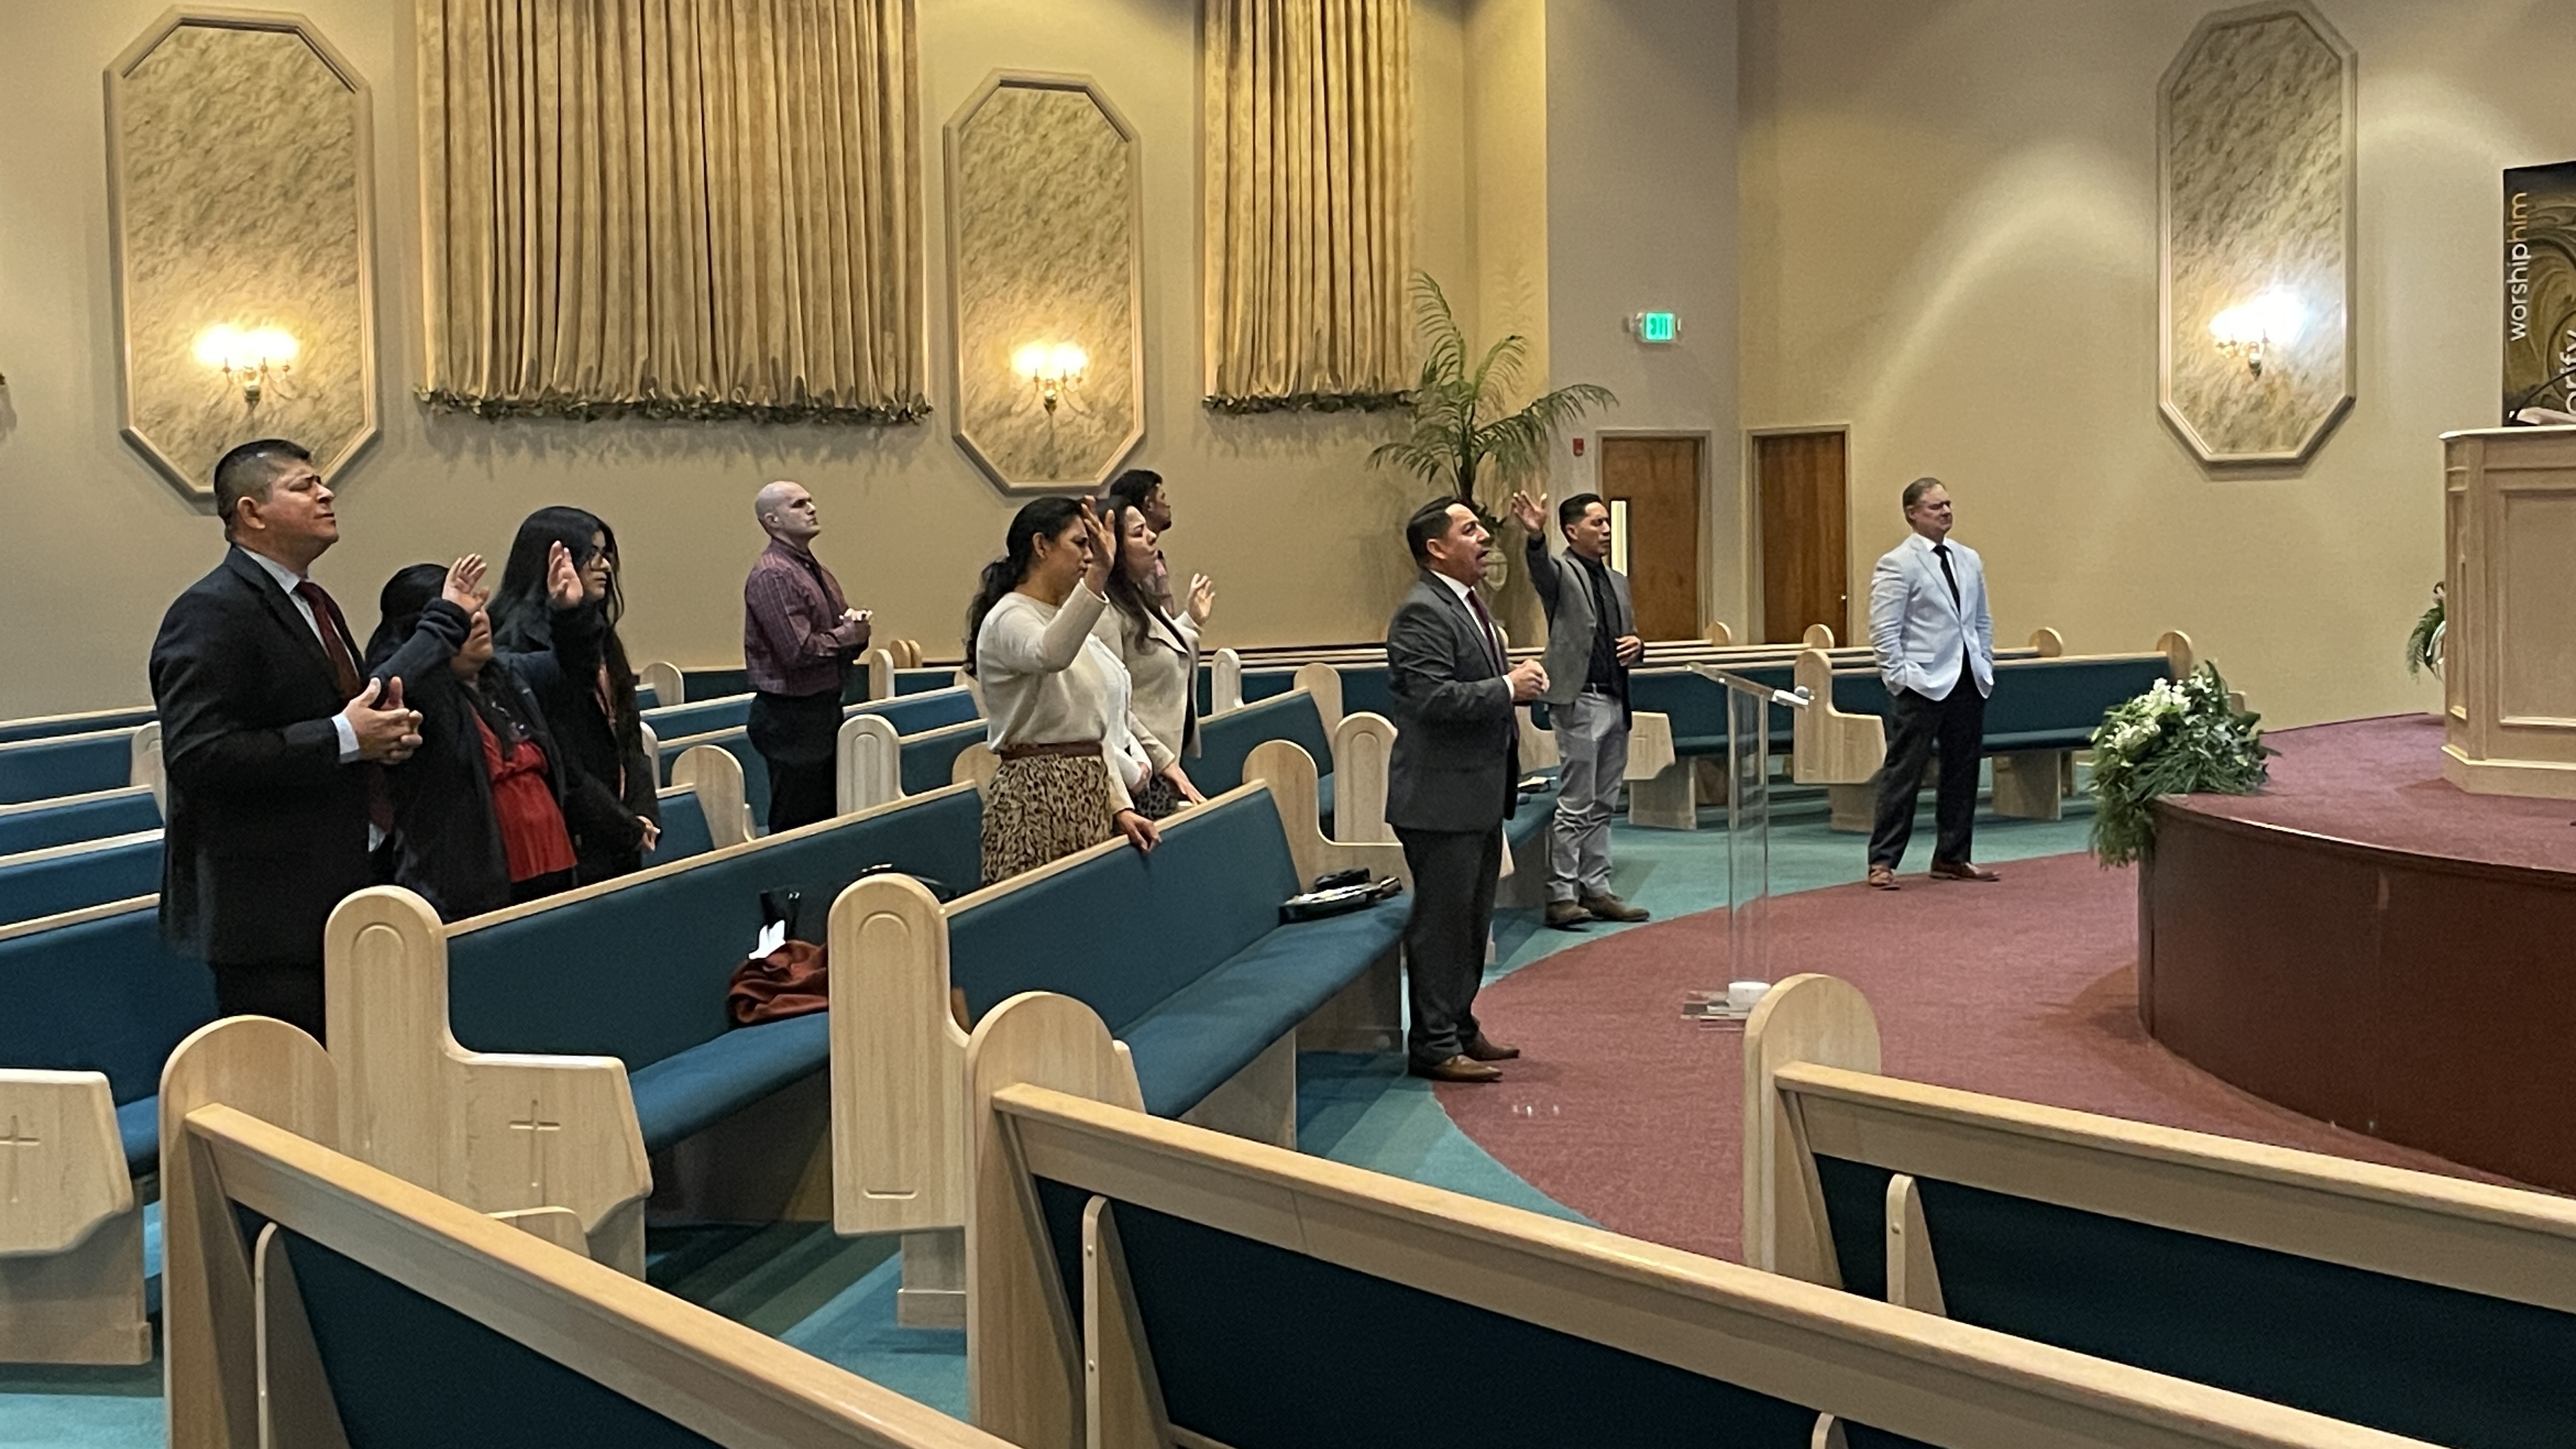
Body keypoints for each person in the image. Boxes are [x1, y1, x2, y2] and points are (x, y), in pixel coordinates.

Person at [149, 438, 427, 1041]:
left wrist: (379, 740)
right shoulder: (211, 611)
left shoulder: (311, 602)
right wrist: (344, 737)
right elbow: (200, 755)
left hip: (339, 887)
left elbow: (333, 724)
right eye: (305, 486)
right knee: (294, 1086)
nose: (327, 494)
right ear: (252, 512)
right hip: (268, 914)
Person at [367, 545, 620, 919]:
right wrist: (445, 623)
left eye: (478, 607)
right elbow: (383, 686)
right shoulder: (417, 700)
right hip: (469, 890)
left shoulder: (505, 675)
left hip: (552, 870)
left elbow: (573, 671)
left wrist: (570, 614)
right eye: (461, 616)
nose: (479, 619)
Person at [1386, 499, 1547, 1083]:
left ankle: (1459, 1026)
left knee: (1472, 922)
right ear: (1436, 548)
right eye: (1470, 530)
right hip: (1439, 799)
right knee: (1443, 926)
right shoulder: (1421, 611)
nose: (1485, 538)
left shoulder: (1467, 603)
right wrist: (1508, 686)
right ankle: (1433, 1045)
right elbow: (1432, 699)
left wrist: (1506, 683)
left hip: (1475, 793)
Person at [967, 495, 1170, 884]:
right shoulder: (1009, 616)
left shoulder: (1064, 618)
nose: (1089, 557)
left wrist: (1120, 807)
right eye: (1079, 544)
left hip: (1088, 792)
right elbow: (1049, 654)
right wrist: (1098, 578)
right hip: (1034, 797)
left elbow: (1095, 728)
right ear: (1041, 546)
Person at [487, 507, 660, 880]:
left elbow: (626, 729)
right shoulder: (513, 642)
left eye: (605, 554)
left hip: (618, 819)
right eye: (592, 554)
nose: (605, 566)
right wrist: (620, 824)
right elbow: (561, 757)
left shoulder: (597, 628)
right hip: (573, 832)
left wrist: (641, 811)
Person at [1510, 489, 1652, 931]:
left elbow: (1628, 635)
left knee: (1605, 802)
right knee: (1577, 803)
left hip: (1615, 698)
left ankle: (1597, 889)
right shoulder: (1561, 573)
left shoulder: (1618, 580)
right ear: (1572, 531)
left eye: (1607, 522)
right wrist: (1535, 536)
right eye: (1597, 523)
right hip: (1580, 700)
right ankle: (1561, 896)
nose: (1606, 529)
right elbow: (1539, 568)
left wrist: (1639, 646)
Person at [1866, 477, 2000, 889]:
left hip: (1967, 678)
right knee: (1904, 773)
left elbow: (1981, 620)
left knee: (1962, 771)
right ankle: (1883, 860)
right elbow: (1884, 629)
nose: (1946, 512)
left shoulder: (1968, 558)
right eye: (1935, 506)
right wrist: (1898, 676)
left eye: (1948, 505)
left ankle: (1952, 856)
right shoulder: (1898, 563)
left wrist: (1984, 661)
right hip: (1921, 682)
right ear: (1911, 513)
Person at [742, 480, 871, 833]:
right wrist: (847, 635)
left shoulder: (812, 569)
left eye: (810, 501)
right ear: (772, 521)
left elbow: (836, 637)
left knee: (825, 820)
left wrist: (856, 632)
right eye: (798, 504)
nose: (812, 509)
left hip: (820, 711)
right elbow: (798, 652)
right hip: (792, 719)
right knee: (800, 826)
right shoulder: (774, 573)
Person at [1094, 498, 1215, 819]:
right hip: (1139, 769)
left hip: (1161, 762)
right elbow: (1113, 701)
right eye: (1138, 533)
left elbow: (1160, 650)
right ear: (1112, 546)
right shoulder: (1103, 611)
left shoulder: (1137, 596)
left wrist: (1191, 621)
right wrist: (1162, 760)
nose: (1152, 537)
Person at [1103, 468, 1174, 610]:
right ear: (1149, 504)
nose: (1168, 505)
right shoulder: (1138, 563)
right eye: (1162, 498)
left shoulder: (1154, 556)